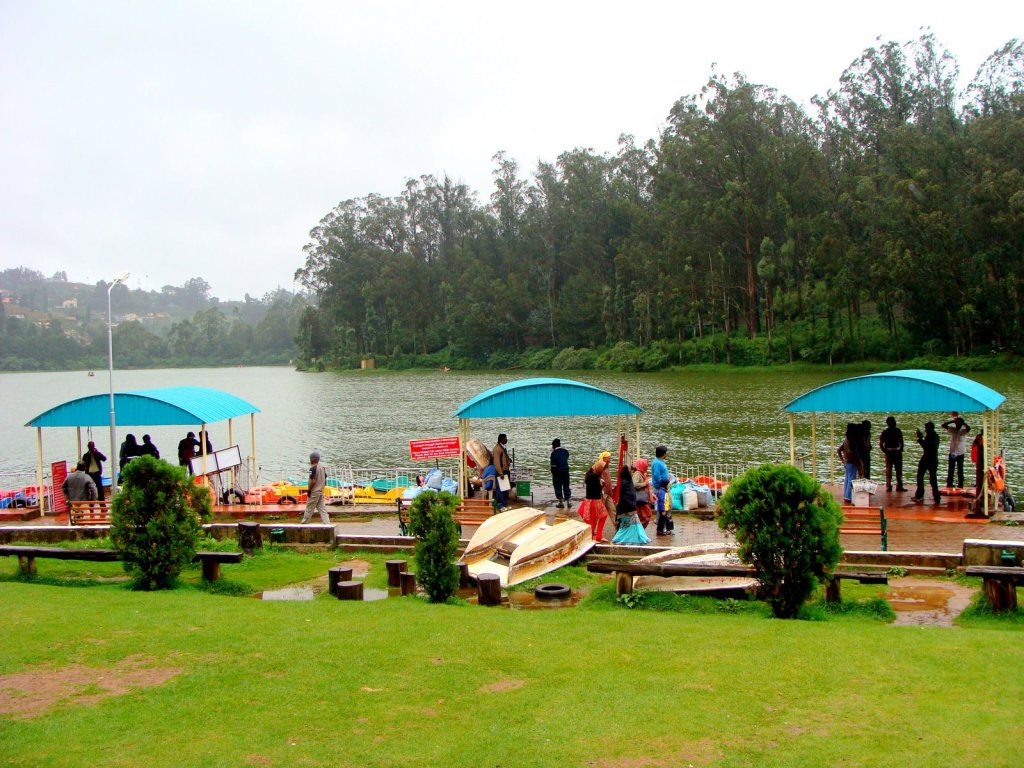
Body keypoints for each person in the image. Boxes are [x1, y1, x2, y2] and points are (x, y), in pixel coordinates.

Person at [611, 464, 650, 545]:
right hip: (627, 510)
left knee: (634, 526)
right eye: (630, 470)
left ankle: (637, 539)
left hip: (630, 508)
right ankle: (617, 539)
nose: (632, 472)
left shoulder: (627, 481)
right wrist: (631, 507)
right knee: (627, 527)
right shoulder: (625, 483)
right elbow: (625, 497)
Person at [577, 453, 610, 542]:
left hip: (589, 500)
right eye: (602, 469)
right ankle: (594, 535)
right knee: (600, 517)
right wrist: (602, 485)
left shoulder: (590, 475)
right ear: (599, 468)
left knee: (590, 517)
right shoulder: (594, 477)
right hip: (594, 501)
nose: (603, 471)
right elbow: (596, 489)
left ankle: (594, 535)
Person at [913, 421, 941, 505]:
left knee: (920, 476)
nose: (925, 430)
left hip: (927, 459)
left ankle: (919, 495)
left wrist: (920, 439)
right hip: (933, 459)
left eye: (926, 428)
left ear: (929, 428)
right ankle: (936, 497)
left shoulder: (930, 437)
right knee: (933, 479)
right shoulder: (936, 436)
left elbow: (926, 447)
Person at [941, 412, 971, 489]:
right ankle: (949, 483)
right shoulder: (953, 430)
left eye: (959, 424)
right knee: (951, 469)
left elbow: (969, 428)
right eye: (957, 424)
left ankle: (960, 484)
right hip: (952, 453)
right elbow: (943, 425)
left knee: (960, 469)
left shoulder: (963, 431)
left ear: (962, 424)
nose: (957, 425)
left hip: (960, 453)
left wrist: (963, 423)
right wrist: (953, 421)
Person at [878, 416, 907, 493]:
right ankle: (892, 486)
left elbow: (881, 444)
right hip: (892, 452)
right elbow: (881, 444)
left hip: (893, 452)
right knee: (891, 470)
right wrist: (886, 451)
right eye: (893, 421)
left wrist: (900, 449)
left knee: (896, 470)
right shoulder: (894, 431)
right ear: (890, 423)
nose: (895, 423)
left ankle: (895, 486)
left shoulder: (888, 432)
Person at [300, 451, 331, 525]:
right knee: (322, 509)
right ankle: (328, 524)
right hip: (320, 491)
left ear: (312, 459)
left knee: (309, 509)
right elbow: (325, 478)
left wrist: (309, 489)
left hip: (314, 492)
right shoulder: (322, 468)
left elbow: (313, 481)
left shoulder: (312, 468)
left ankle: (303, 524)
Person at [651, 444, 673, 536]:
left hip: (665, 487)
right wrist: (663, 485)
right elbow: (656, 476)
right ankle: (661, 528)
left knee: (668, 507)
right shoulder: (656, 463)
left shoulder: (661, 462)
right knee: (662, 509)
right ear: (663, 454)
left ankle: (665, 526)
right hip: (660, 488)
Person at [837, 423, 859, 504]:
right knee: (851, 480)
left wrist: (842, 460)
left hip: (846, 463)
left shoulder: (846, 440)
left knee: (847, 479)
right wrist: (854, 460)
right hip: (851, 463)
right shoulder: (852, 441)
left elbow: (839, 450)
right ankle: (848, 497)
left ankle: (846, 495)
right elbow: (850, 452)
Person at [492, 433, 512, 511]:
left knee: (505, 489)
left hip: (506, 470)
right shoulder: (497, 449)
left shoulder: (502, 447)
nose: (506, 440)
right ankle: (500, 505)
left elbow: (504, 457)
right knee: (500, 489)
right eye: (505, 438)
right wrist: (500, 473)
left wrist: (508, 460)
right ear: (502, 439)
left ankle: (505, 504)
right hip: (501, 472)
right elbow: (496, 462)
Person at [549, 439, 571, 508]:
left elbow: (553, 466)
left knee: (557, 486)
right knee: (566, 485)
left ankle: (561, 502)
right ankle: (568, 501)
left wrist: (553, 473)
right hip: (566, 471)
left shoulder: (553, 453)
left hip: (557, 472)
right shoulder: (565, 451)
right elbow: (566, 458)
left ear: (554, 445)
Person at [632, 458, 653, 529]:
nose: (647, 466)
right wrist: (645, 483)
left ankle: (639, 531)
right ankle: (639, 530)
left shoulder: (641, 473)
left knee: (642, 516)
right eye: (646, 465)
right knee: (646, 515)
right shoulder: (637, 474)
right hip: (640, 499)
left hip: (642, 498)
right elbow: (634, 484)